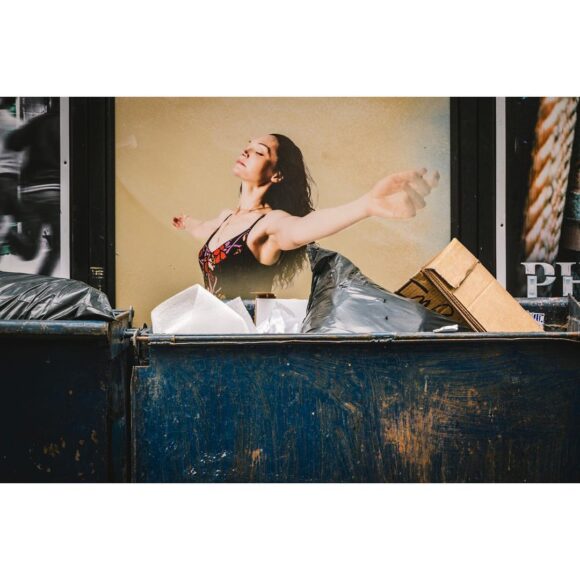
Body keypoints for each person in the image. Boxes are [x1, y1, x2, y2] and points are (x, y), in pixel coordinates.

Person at [173, 133, 439, 300]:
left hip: (246, 342)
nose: (246, 151)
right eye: (248, 145)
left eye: (259, 151)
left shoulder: (270, 223)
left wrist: (366, 205)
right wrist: (188, 223)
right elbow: (205, 230)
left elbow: (302, 228)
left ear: (277, 174)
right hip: (213, 333)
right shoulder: (226, 217)